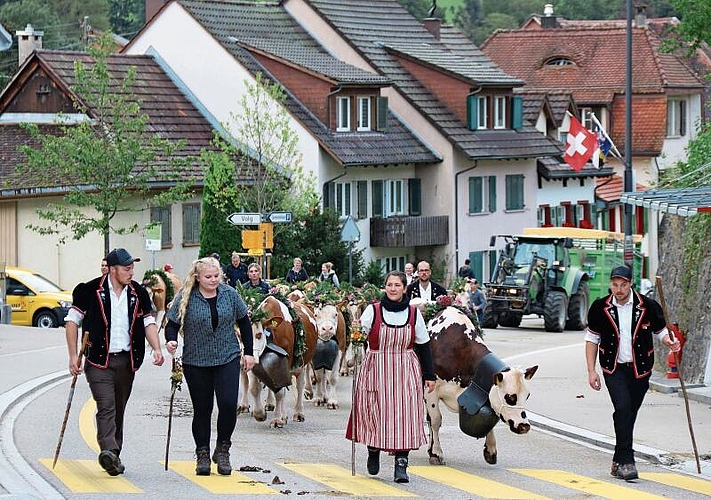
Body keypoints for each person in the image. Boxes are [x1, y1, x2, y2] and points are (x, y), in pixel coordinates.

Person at [64, 248, 164, 476]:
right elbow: (72, 321)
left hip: (127, 360)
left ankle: (113, 455)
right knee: (106, 405)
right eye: (127, 268)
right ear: (112, 269)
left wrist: (157, 348)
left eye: (132, 268)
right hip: (99, 360)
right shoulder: (89, 290)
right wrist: (72, 355)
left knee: (119, 407)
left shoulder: (138, 292)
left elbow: (148, 322)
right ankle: (108, 449)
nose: (131, 272)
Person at [585, 265, 681, 481]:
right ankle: (627, 462)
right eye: (615, 285)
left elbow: (661, 331)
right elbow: (592, 339)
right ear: (611, 284)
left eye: (623, 285)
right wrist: (591, 371)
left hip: (640, 369)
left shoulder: (647, 306)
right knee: (623, 407)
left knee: (628, 413)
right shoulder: (600, 308)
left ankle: (617, 459)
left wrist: (670, 342)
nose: (618, 289)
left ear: (630, 284)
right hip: (613, 367)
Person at [164, 257, 255, 476]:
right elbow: (172, 324)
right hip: (196, 360)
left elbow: (244, 322)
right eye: (208, 277)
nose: (213, 280)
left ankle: (223, 449)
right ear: (197, 277)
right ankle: (202, 453)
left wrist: (250, 352)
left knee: (227, 404)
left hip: (227, 356)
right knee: (202, 409)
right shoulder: (187, 297)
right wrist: (171, 340)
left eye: (216, 276)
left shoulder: (229, 295)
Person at [347, 270, 435, 483]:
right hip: (376, 367)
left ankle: (401, 465)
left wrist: (429, 374)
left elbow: (423, 346)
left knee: (404, 416)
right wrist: (357, 335)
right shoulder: (373, 311)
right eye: (389, 285)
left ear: (405, 288)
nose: (393, 289)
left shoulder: (414, 314)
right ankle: (373, 449)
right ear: (385, 288)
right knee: (375, 412)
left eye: (397, 285)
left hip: (405, 368)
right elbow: (359, 336)